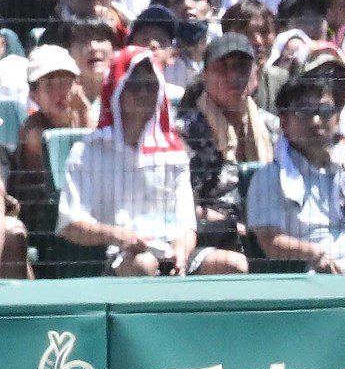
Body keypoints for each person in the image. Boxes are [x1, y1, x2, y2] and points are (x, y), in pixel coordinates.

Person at [58, 46, 249, 275]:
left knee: (234, 264)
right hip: (116, 253)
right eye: (134, 86)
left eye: (151, 86)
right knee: (144, 264)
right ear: (118, 89)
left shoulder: (173, 152)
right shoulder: (88, 152)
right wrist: (120, 236)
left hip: (169, 248)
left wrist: (182, 250)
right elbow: (70, 225)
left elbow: (186, 223)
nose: (143, 94)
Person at [247, 68, 345, 273]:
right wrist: (314, 254)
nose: (316, 121)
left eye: (325, 111)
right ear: (284, 122)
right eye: (304, 111)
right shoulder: (268, 177)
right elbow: (270, 242)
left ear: (337, 119)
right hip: (309, 279)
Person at [181, 32, 276, 253]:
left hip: (268, 235)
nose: (233, 75)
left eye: (241, 67)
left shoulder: (274, 127)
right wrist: (232, 226)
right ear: (205, 76)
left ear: (256, 74)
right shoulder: (185, 132)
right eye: (223, 67)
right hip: (208, 240)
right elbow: (178, 205)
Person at [13, 43, 89, 228]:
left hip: (84, 208)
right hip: (41, 220)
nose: (59, 93)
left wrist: (85, 111)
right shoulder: (33, 130)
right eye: (49, 85)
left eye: (65, 82)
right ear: (35, 95)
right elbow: (71, 157)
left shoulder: (85, 115)